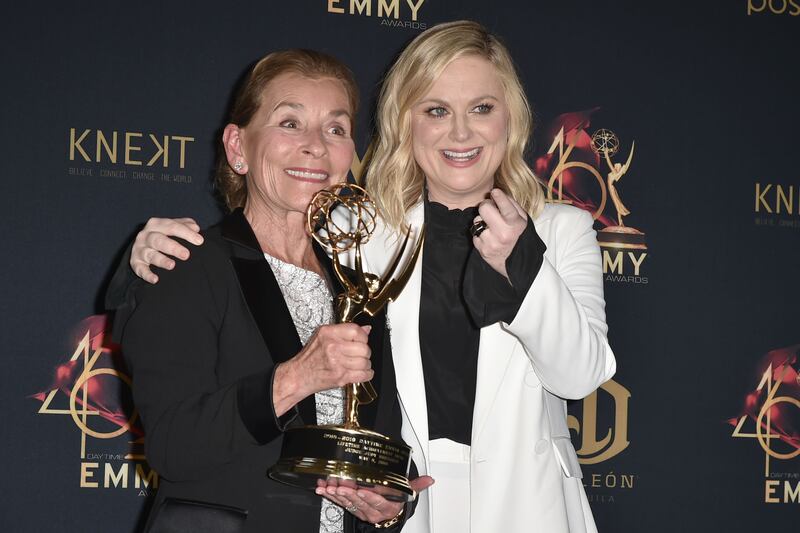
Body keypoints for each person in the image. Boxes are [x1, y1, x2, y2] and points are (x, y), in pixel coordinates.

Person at [119, 21, 616, 533]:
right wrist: (139, 256)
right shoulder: (364, 234)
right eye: (437, 110)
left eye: (482, 108)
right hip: (421, 517)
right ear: (407, 124)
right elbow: (250, 241)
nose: (461, 132)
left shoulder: (562, 231)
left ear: (510, 119)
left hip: (532, 508)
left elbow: (579, 375)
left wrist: (523, 262)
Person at [113, 49, 431, 533]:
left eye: (336, 128)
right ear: (238, 148)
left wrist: (388, 499)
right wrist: (297, 377)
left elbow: (374, 440)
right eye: (289, 123)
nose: (316, 147)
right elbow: (173, 446)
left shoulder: (360, 285)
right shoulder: (186, 263)